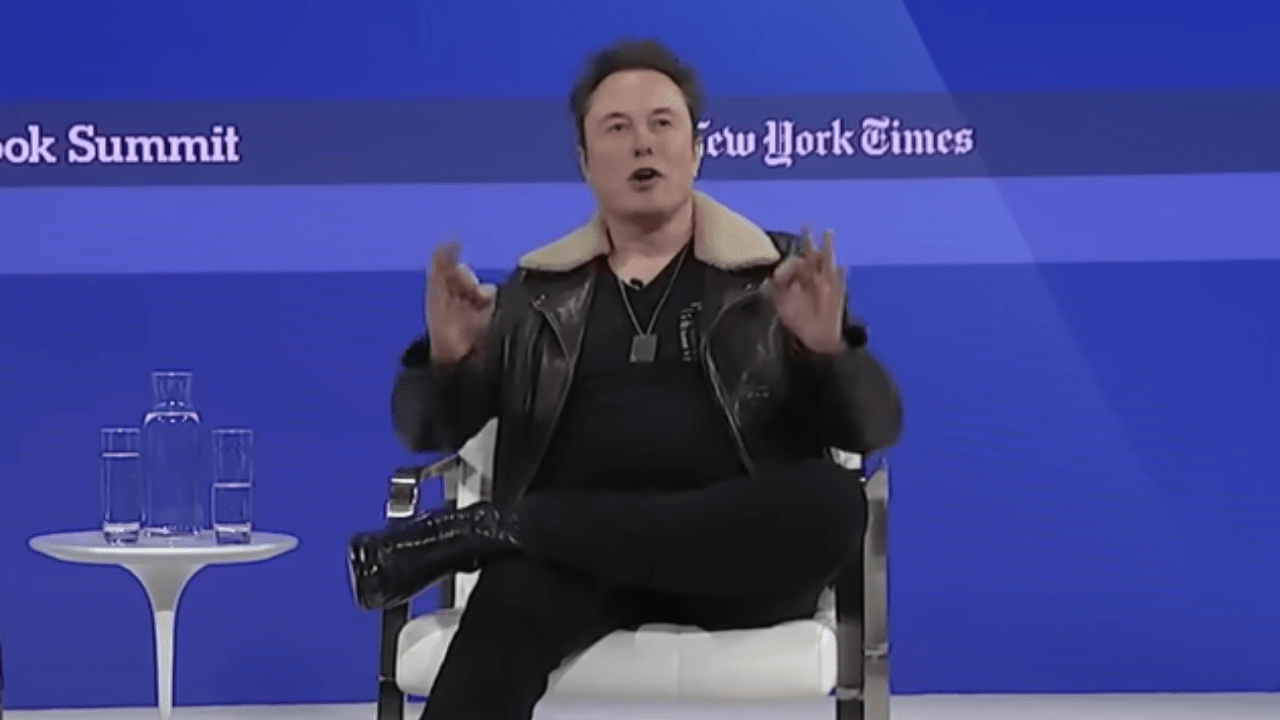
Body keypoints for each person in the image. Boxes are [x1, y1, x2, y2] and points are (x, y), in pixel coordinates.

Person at [347, 38, 903, 720]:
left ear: (696, 150)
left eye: (662, 123)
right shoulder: (535, 291)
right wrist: (450, 359)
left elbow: (874, 427)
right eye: (617, 128)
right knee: (508, 608)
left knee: (831, 501)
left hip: (734, 561)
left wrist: (825, 352)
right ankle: (518, 530)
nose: (644, 143)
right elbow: (427, 431)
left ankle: (504, 527)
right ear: (585, 162)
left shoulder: (775, 272)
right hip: (573, 571)